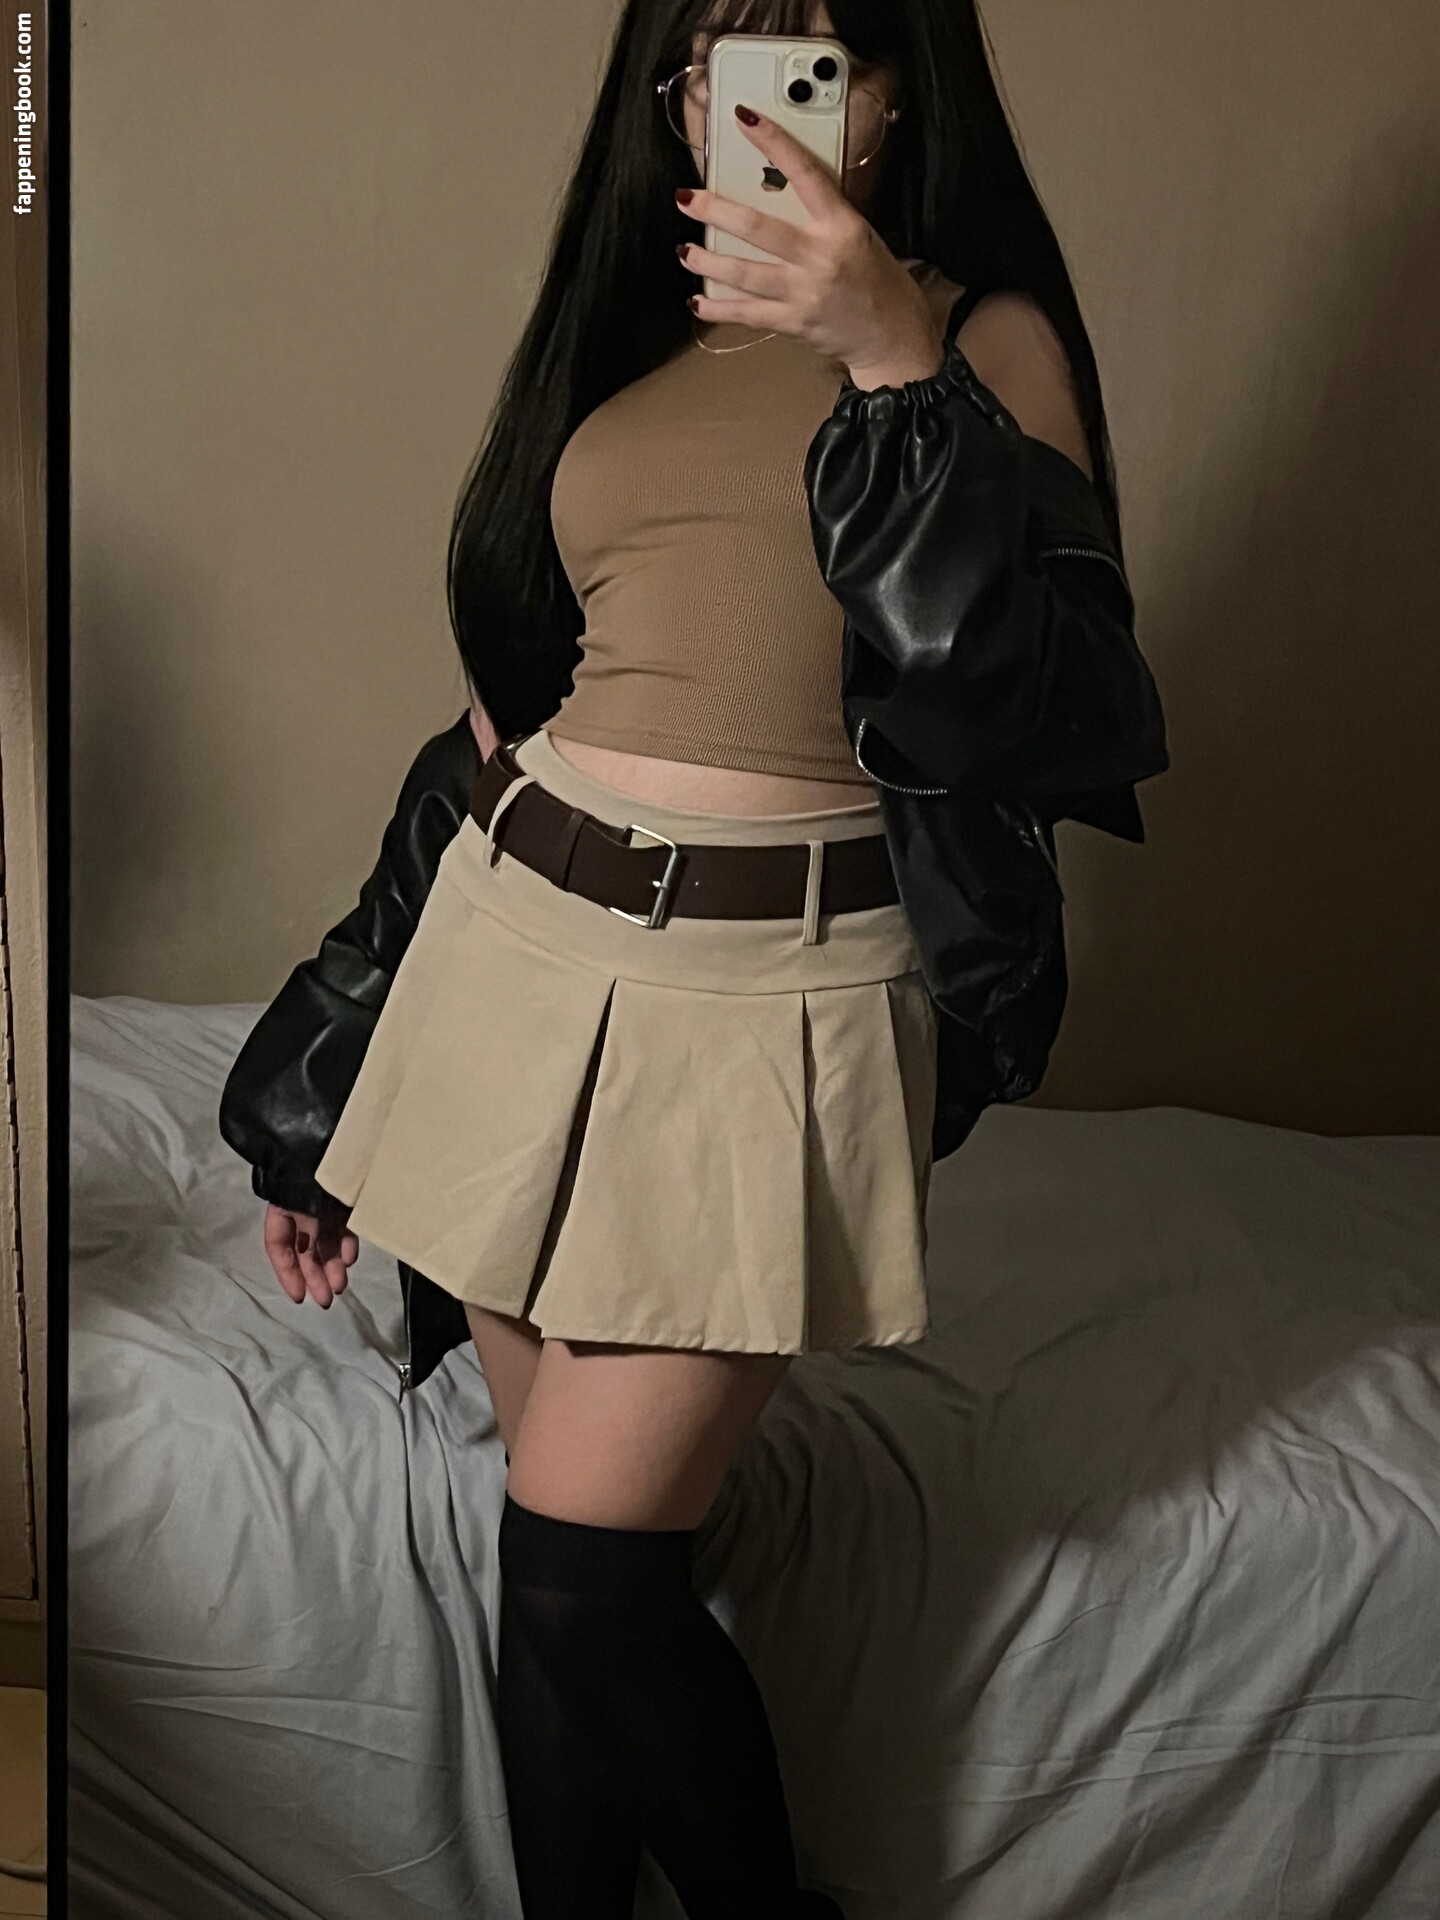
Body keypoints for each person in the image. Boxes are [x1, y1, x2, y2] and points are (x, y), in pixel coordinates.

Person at [218, 1, 1169, 1914]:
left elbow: (1039, 711)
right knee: (563, 1581)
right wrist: (320, 1089)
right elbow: (491, 743)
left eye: (816, 63)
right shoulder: (633, 350)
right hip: (511, 963)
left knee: (583, 1577)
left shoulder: (979, 339)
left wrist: (890, 357)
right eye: (710, 68)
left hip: (766, 1005)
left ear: (899, 94)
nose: (756, 110)